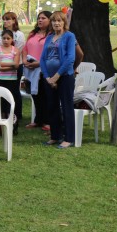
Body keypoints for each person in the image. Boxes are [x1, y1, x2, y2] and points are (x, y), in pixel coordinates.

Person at [41, 11, 78, 149]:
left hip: (64, 77)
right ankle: (55, 136)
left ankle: (69, 138)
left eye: (59, 21)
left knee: (66, 107)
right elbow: (43, 58)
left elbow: (70, 59)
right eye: (54, 21)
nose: (56, 23)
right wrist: (47, 77)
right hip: (49, 79)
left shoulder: (69, 36)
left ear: (64, 22)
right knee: (52, 107)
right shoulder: (49, 37)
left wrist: (57, 76)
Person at [23, 11, 51, 130]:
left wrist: (38, 63)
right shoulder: (33, 34)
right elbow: (25, 48)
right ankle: (38, 120)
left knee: (45, 96)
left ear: (50, 20)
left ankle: (47, 121)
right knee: (35, 95)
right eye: (39, 18)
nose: (40, 20)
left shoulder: (51, 35)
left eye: (43, 18)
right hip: (31, 70)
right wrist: (24, 60)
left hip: (44, 69)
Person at [0, 29, 23, 134]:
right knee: (1, 102)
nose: (6, 40)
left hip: (12, 80)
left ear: (12, 39)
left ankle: (12, 123)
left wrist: (3, 66)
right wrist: (10, 64)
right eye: (4, 38)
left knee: (10, 101)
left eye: (8, 38)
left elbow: (16, 65)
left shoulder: (15, 50)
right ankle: (1, 123)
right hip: (0, 79)